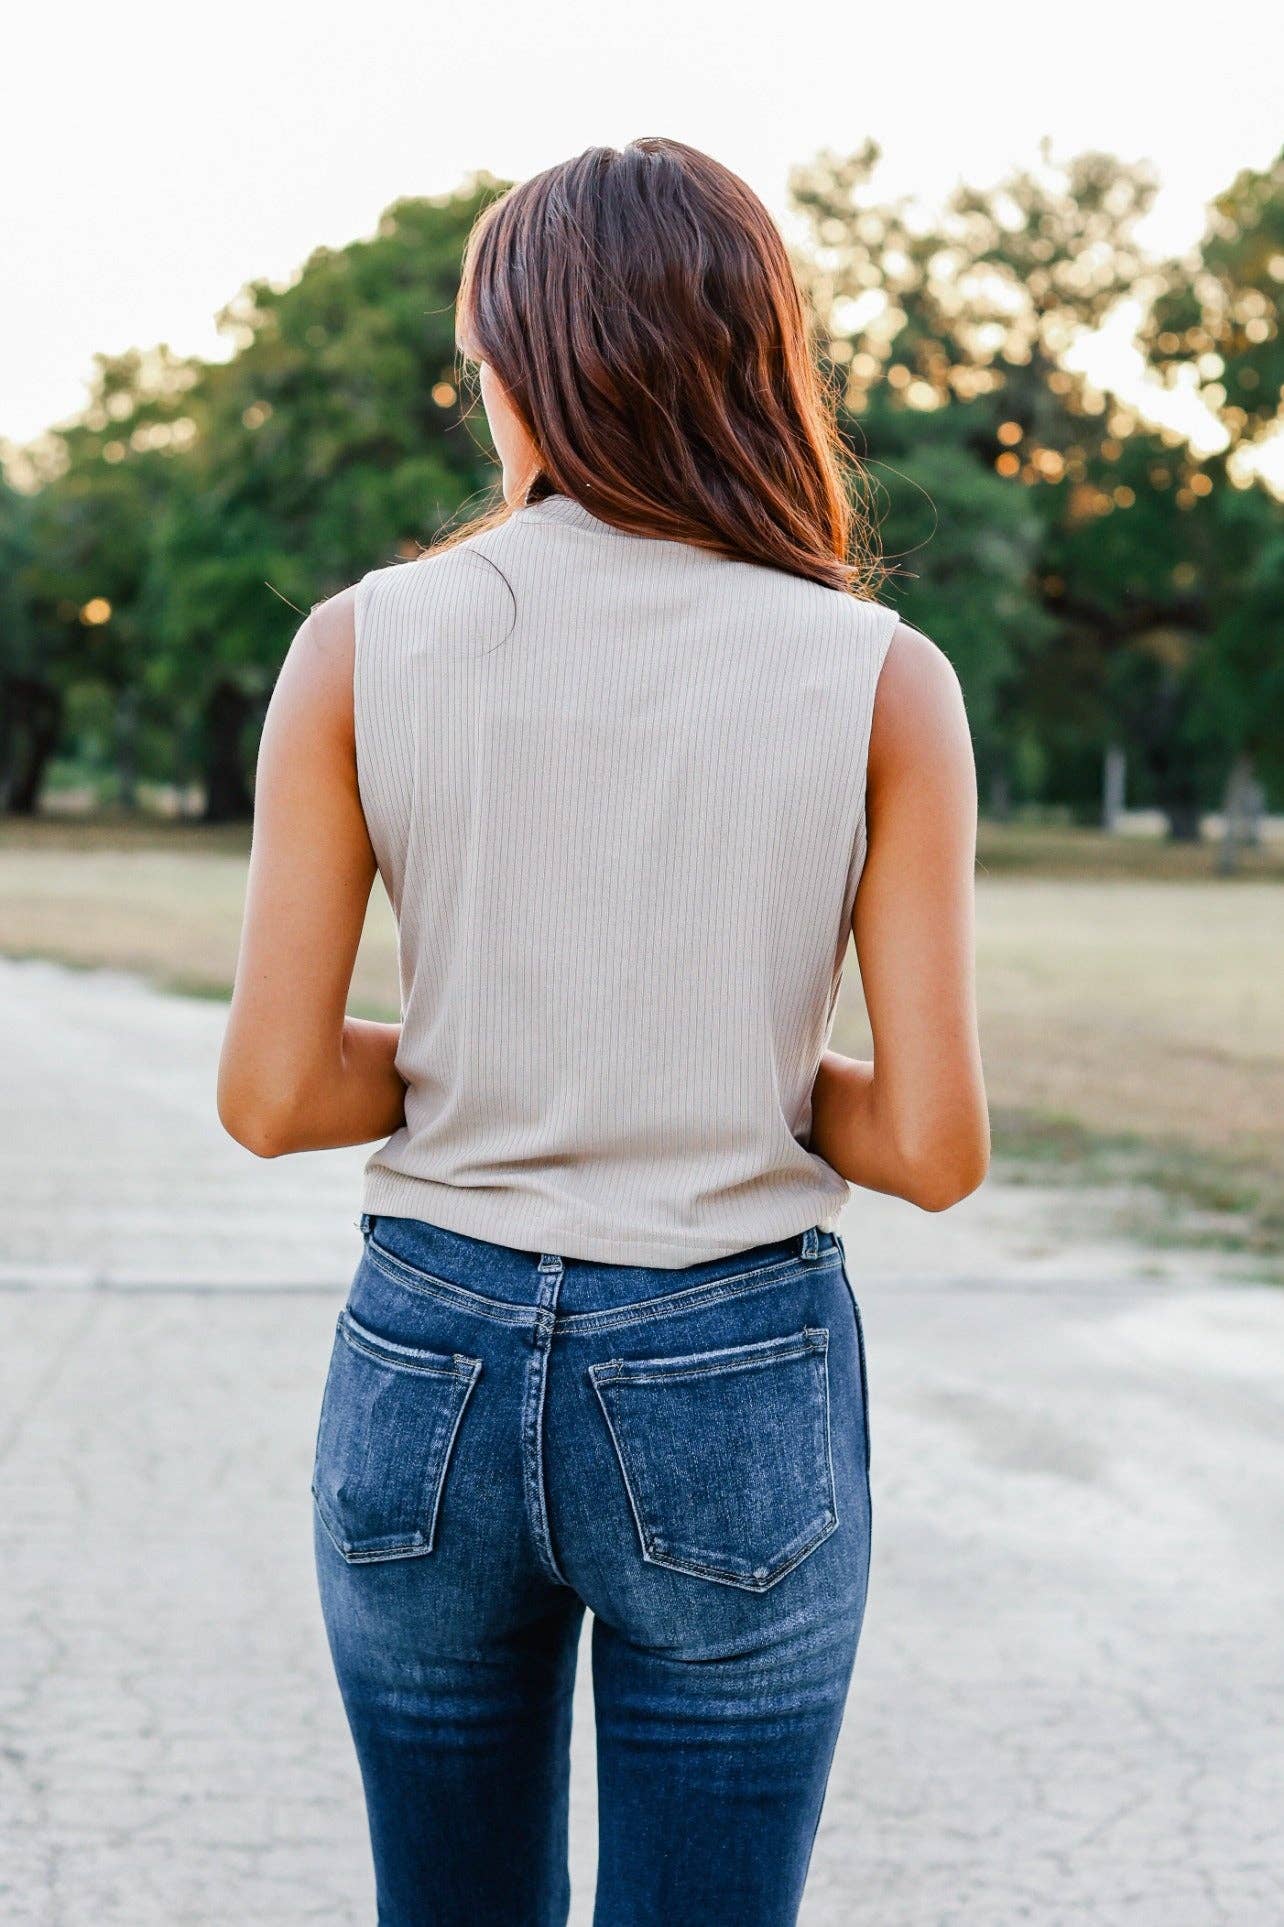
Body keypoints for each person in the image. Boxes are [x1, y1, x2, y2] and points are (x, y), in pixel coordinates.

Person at [217, 136, 988, 1927]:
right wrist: (716, 1069)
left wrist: (497, 1054)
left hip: (431, 1367)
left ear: (524, 368)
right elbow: (934, 1150)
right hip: (733, 1372)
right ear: (756, 361)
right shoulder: (879, 674)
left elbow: (270, 1093)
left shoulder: (357, 643)